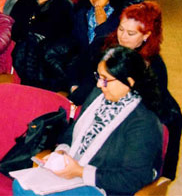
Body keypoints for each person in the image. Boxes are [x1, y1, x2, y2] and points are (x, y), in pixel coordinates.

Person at [13, 47, 163, 196]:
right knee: (21, 185)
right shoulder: (98, 95)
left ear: (129, 82)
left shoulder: (143, 122)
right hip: (75, 172)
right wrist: (61, 153)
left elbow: (133, 179)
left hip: (104, 186)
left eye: (106, 80)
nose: (99, 84)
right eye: (99, 77)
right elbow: (70, 135)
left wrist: (80, 171)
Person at [91, 2, 181, 179]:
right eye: (121, 29)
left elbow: (145, 108)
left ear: (147, 35)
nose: (123, 37)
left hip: (155, 114)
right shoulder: (109, 46)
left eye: (131, 33)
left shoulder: (153, 66)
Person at [10, 0, 74, 91]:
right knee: (25, 45)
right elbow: (14, 28)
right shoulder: (25, 1)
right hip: (25, 53)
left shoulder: (63, 7)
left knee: (32, 44)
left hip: (49, 58)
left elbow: (61, 36)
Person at [67, 0, 128, 103]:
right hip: (80, 62)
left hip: (103, 65)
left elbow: (110, 46)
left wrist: (102, 25)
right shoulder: (83, 14)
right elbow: (75, 43)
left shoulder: (120, 17)